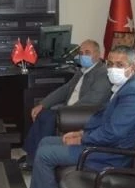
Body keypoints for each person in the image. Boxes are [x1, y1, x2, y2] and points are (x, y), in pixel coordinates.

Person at [22, 45, 135, 188]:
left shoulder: (134, 95)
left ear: (132, 67)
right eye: (110, 64)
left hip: (111, 154)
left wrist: (81, 140)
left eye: (119, 64)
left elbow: (112, 133)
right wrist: (81, 133)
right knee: (45, 142)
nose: (113, 68)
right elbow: (101, 118)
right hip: (103, 144)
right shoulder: (123, 87)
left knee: (45, 154)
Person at [19, 39, 113, 171]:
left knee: (48, 117)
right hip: (68, 108)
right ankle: (32, 155)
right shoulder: (82, 70)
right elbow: (65, 89)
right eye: (81, 53)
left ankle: (34, 161)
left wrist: (64, 111)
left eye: (87, 52)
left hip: (80, 113)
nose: (83, 56)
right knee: (42, 112)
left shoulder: (102, 74)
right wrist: (43, 104)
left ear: (98, 54)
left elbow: (91, 101)